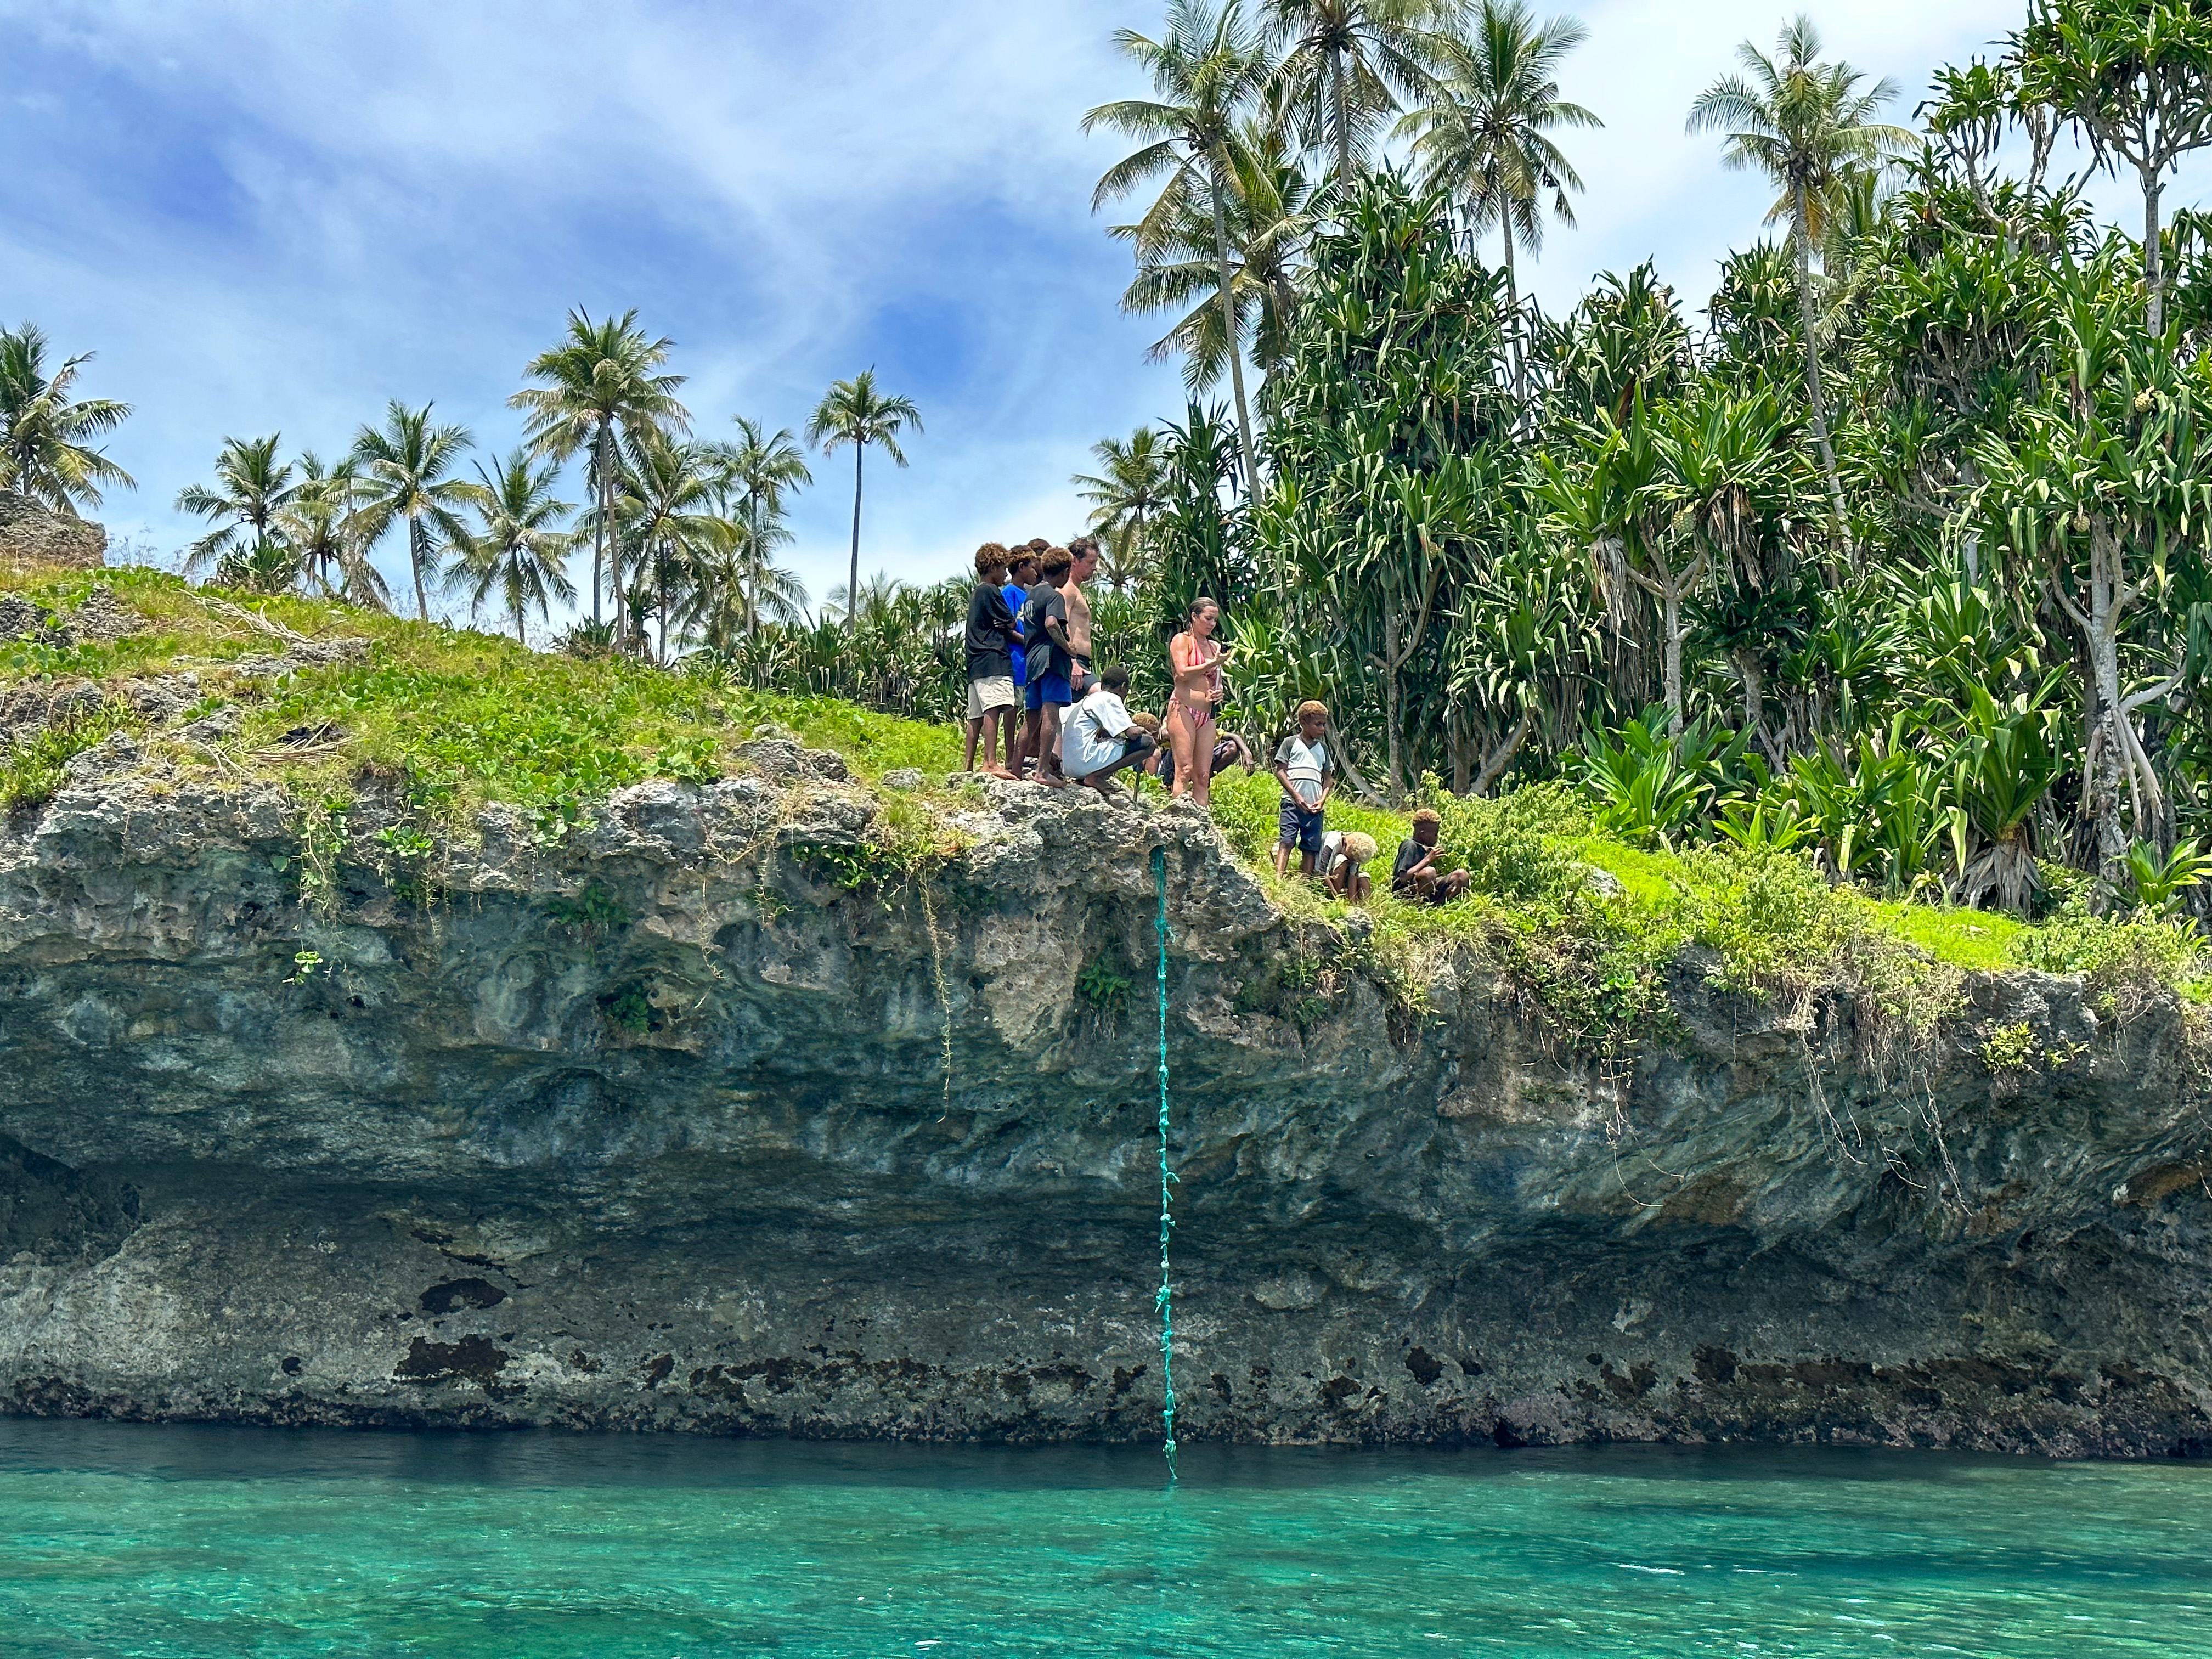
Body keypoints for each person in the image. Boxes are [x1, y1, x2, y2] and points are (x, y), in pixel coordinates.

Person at [1019, 546, 1076, 786]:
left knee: (1030, 718)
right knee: (1050, 715)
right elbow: (1052, 623)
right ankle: (1042, 771)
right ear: (1064, 572)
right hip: (1051, 661)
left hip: (1033, 662)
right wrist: (1067, 647)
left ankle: (1015, 767)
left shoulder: (1032, 595)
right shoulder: (1055, 596)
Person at [1166, 596, 1229, 808]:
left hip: (1207, 714)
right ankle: (1177, 818)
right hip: (1183, 708)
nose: (1212, 624)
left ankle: (1202, 823)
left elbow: (1216, 680)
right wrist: (1211, 663)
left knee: (1202, 775)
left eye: (1215, 620)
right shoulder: (1182, 640)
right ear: (1194, 617)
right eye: (1208, 619)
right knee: (1184, 769)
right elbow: (1182, 673)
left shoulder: (1214, 646)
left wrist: (1218, 692)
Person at [962, 543, 1019, 776]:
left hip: (976, 661)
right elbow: (1011, 620)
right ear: (993, 566)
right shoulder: (990, 591)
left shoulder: (977, 593)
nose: (1006, 574)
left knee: (975, 715)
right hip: (993, 657)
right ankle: (990, 763)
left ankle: (968, 766)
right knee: (993, 708)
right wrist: (1008, 623)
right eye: (1003, 568)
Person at [1062, 664, 1156, 791]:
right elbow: (1132, 733)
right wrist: (1144, 730)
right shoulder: (1110, 698)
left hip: (1070, 766)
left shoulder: (1089, 700)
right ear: (1123, 687)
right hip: (1084, 762)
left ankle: (1090, 776)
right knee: (1148, 743)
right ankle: (1096, 777)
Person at [1272, 701, 1334, 879]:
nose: (1322, 729)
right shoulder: (1291, 743)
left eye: (1324, 724)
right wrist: (1296, 796)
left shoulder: (1323, 749)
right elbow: (1281, 772)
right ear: (1304, 723)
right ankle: (1278, 877)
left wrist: (1322, 800)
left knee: (1310, 845)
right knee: (1287, 840)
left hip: (1314, 807)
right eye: (1318, 724)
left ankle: (1305, 882)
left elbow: (1328, 778)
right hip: (1292, 803)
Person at [999, 545, 1034, 772]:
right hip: (1015, 659)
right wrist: (1027, 641)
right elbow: (1006, 626)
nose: (1035, 571)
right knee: (1011, 709)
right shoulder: (1010, 593)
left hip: (1028, 662)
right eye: (1031, 566)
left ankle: (1022, 755)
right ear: (1021, 568)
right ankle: (1010, 755)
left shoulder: (1030, 595)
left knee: (1026, 708)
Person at [1392, 808, 1471, 903]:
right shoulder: (1410, 846)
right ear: (1423, 834)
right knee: (1429, 872)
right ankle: (1421, 904)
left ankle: (1438, 904)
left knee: (1461, 875)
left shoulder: (1424, 847)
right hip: (1405, 892)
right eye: (1435, 834)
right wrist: (1428, 859)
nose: (1437, 838)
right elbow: (1404, 878)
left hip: (1423, 888)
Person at [1316, 830, 1375, 903]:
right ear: (1346, 846)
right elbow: (1322, 874)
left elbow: (1353, 875)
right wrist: (1337, 899)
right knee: (1342, 859)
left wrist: (1352, 901)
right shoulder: (1330, 844)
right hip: (1326, 877)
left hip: (1343, 878)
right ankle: (1337, 894)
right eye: (1351, 858)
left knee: (1364, 877)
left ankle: (1365, 904)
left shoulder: (1353, 850)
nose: (1352, 861)